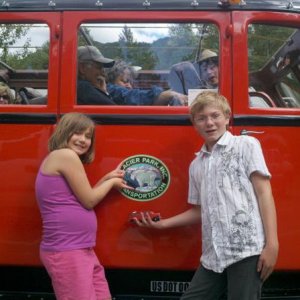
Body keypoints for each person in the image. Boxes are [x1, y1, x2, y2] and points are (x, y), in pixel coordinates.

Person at [134, 91, 279, 300]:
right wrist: (163, 225)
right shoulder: (197, 165)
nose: (209, 123)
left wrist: (272, 245)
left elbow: (264, 193)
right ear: (194, 124)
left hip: (247, 250)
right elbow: (199, 210)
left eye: (215, 116)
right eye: (201, 119)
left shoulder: (246, 145)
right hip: (214, 255)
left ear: (227, 117)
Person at [35, 112, 132, 300]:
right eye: (78, 133)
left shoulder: (65, 158)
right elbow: (89, 200)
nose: (83, 140)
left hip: (81, 249)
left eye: (88, 136)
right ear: (64, 132)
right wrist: (111, 183)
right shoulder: (65, 155)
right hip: (66, 251)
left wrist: (107, 178)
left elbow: (83, 197)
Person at [105, 59, 188, 106]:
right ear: (111, 81)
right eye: (125, 81)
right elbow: (133, 97)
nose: (129, 85)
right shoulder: (110, 90)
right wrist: (167, 95)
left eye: (130, 82)